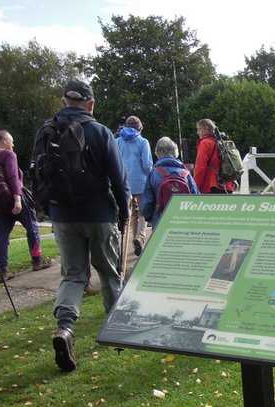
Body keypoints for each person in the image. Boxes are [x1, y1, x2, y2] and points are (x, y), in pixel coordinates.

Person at [32, 79, 130, 372]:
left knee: (73, 275)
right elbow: (119, 179)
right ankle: (116, 326)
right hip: (99, 213)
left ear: (64, 101)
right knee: (109, 272)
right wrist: (124, 213)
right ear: (91, 104)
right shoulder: (99, 132)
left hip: (63, 215)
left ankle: (64, 328)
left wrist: (49, 209)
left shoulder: (46, 131)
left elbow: (37, 173)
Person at [0, 130, 53, 281]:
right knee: (32, 228)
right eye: (11, 141)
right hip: (15, 199)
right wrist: (18, 199)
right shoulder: (8, 155)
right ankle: (37, 260)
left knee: (0, 236)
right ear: (3, 141)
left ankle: (3, 271)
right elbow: (13, 177)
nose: (13, 145)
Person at [141, 136, 199, 228]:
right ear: (175, 153)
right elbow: (196, 198)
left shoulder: (154, 173)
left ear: (157, 153)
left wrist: (149, 217)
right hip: (183, 221)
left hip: (160, 221)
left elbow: (147, 201)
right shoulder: (186, 174)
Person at [116, 115, 152, 256]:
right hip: (141, 183)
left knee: (131, 214)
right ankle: (140, 237)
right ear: (139, 128)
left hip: (124, 183)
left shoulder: (117, 141)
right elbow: (147, 165)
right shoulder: (143, 142)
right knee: (142, 212)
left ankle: (133, 241)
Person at [193, 118, 225, 194]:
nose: (197, 132)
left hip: (211, 186)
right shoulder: (222, 142)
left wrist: (195, 186)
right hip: (227, 185)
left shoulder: (205, 143)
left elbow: (200, 167)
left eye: (199, 129)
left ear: (205, 129)